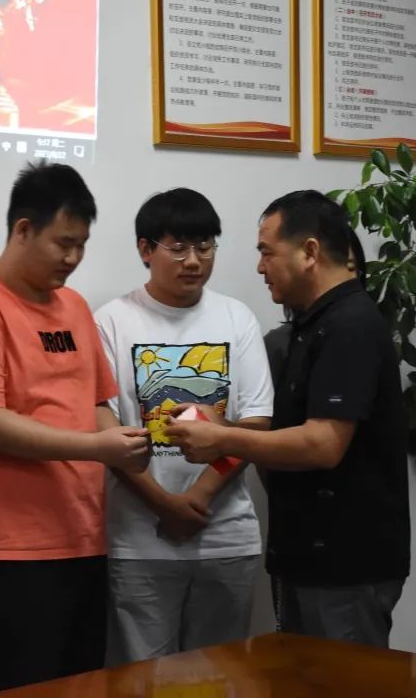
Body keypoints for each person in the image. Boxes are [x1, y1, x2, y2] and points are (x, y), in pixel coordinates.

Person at [0, 161, 150, 695]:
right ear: (23, 230)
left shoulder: (74, 306)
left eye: (82, 246)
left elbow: (94, 402)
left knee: (81, 684)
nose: (73, 258)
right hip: (5, 548)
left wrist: (124, 444)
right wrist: (98, 448)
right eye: (63, 243)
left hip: (81, 535)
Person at [164, 190, 410, 648]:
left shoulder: (351, 324)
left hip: (344, 567)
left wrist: (223, 440)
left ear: (309, 252)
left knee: (341, 682)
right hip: (307, 557)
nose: (260, 268)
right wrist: (225, 427)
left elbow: (322, 445)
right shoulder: (310, 326)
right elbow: (293, 433)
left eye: (267, 252)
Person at [94, 188, 273, 665]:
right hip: (140, 538)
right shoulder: (111, 321)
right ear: (145, 249)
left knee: (220, 677)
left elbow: (256, 423)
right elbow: (103, 425)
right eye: (177, 248)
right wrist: (164, 504)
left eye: (205, 246)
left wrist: (197, 499)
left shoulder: (236, 317)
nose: (193, 261)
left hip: (226, 534)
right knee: (145, 679)